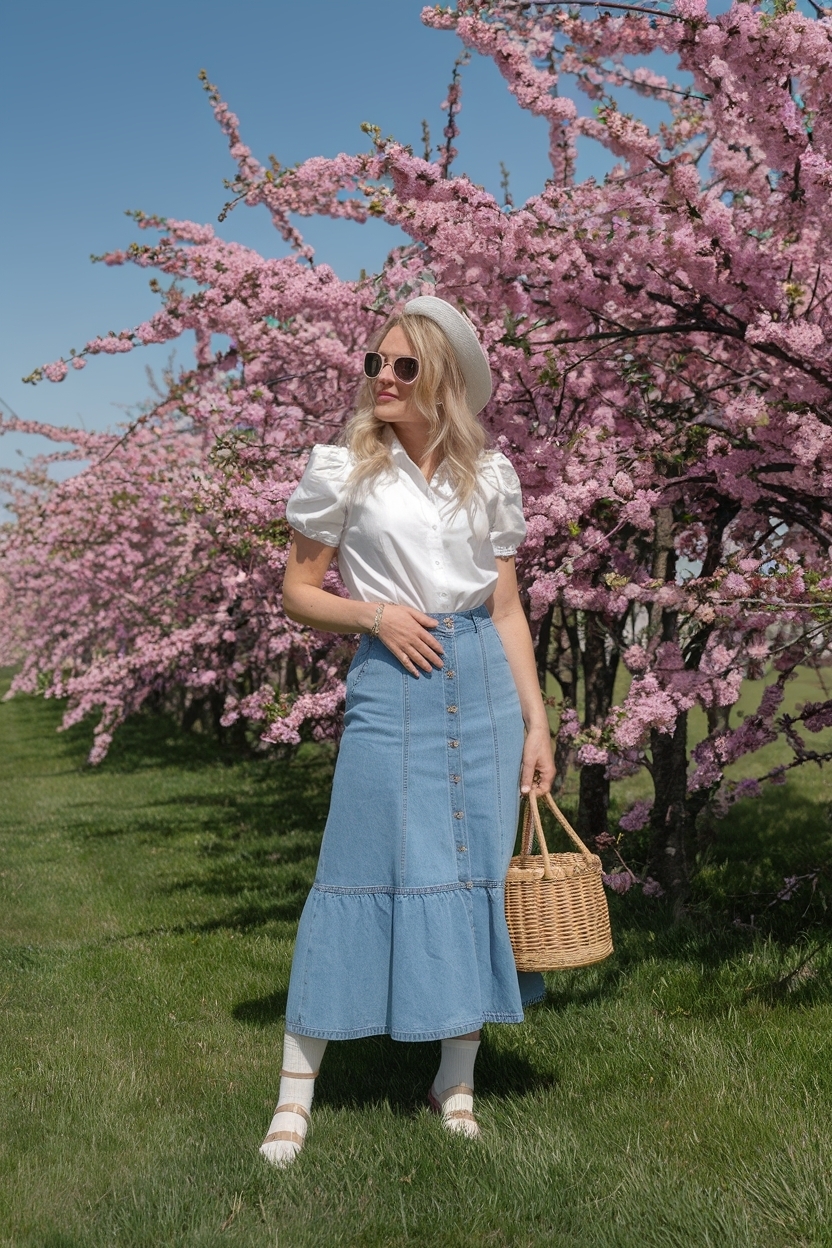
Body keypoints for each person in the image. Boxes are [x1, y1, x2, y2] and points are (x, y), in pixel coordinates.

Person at [260, 295, 555, 1168]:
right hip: (393, 679)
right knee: (357, 860)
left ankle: (454, 1081)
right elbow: (297, 592)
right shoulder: (344, 467)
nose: (381, 379)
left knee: (475, 865)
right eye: (374, 365)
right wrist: (375, 615)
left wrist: (538, 721)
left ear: (446, 382)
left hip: (485, 684)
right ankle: (294, 1095)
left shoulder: (489, 477)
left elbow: (505, 606)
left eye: (404, 367)